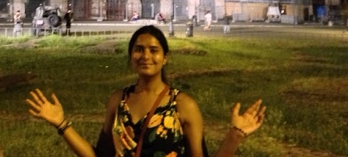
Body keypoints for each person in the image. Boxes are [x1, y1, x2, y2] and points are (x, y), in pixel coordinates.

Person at [27, 25, 266, 157]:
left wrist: (235, 135)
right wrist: (62, 124)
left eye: (154, 50)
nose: (146, 56)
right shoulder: (117, 101)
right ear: (131, 56)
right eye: (139, 49)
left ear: (165, 58)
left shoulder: (183, 105)